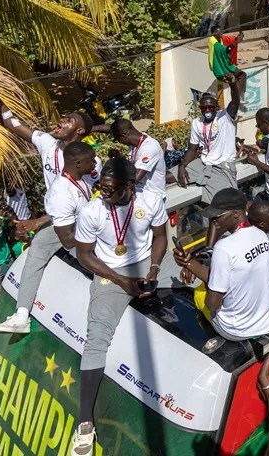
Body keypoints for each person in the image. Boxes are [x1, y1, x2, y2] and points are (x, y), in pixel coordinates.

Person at [71, 158, 173, 455]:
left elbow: (160, 236)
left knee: (180, 298)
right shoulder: (92, 211)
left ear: (129, 186)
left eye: (109, 189)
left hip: (146, 265)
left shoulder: (151, 200)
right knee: (96, 340)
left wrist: (154, 269)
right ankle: (85, 423)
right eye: (100, 187)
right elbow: (85, 255)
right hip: (109, 272)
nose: (102, 193)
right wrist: (121, 281)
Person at [0, 141, 98, 335]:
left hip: (80, 226)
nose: (95, 165)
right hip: (77, 234)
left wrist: (40, 221)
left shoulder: (78, 180)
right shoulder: (61, 191)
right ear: (78, 164)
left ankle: (22, 314)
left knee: (40, 243)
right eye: (92, 162)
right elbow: (67, 238)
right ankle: (22, 315)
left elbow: (64, 213)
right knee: (40, 246)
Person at [174, 189, 269, 348]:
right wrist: (189, 263)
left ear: (236, 214)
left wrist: (209, 288)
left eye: (217, 216)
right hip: (267, 320)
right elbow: (233, 277)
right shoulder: (261, 235)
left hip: (236, 329)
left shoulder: (224, 247)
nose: (213, 221)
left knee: (199, 292)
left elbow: (213, 304)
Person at [0, 90, 99, 193]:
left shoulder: (91, 160)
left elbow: (94, 194)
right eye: (64, 117)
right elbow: (10, 122)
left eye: (69, 120)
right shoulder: (47, 143)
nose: (62, 120)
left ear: (80, 130)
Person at [178, 72, 247, 203]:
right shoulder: (196, 123)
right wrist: (182, 166)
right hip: (203, 163)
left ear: (216, 107)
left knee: (221, 202)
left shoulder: (225, 116)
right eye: (204, 108)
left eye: (210, 107)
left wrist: (233, 84)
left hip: (222, 166)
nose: (207, 110)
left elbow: (235, 102)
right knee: (167, 177)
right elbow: (192, 150)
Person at [110, 119, 166, 197]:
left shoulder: (149, 147)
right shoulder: (134, 144)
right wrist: (120, 159)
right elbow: (131, 168)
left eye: (117, 139)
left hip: (153, 197)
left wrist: (111, 185)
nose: (119, 142)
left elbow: (135, 178)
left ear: (123, 136)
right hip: (141, 194)